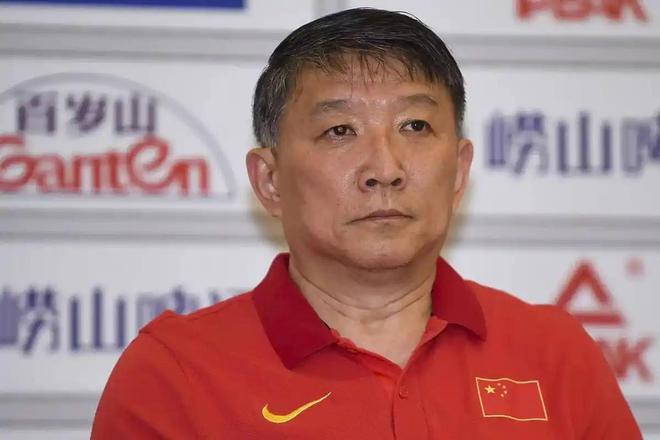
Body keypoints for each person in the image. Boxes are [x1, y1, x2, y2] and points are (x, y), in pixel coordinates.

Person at [91, 8, 641, 439]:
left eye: (415, 125)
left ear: (459, 171)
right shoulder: (176, 373)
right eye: (341, 131)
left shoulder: (554, 355)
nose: (385, 168)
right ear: (270, 180)